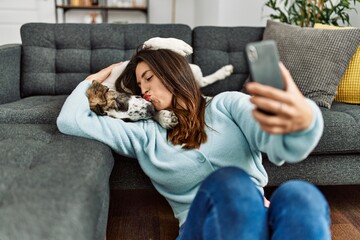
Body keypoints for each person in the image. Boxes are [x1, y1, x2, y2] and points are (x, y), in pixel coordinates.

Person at [57, 47, 331, 239]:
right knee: (231, 183)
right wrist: (94, 80)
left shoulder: (226, 105)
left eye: (149, 78)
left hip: (261, 218)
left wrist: (304, 121)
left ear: (175, 72)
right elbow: (71, 120)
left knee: (300, 195)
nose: (144, 90)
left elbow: (281, 145)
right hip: (200, 229)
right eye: (139, 85)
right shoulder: (144, 134)